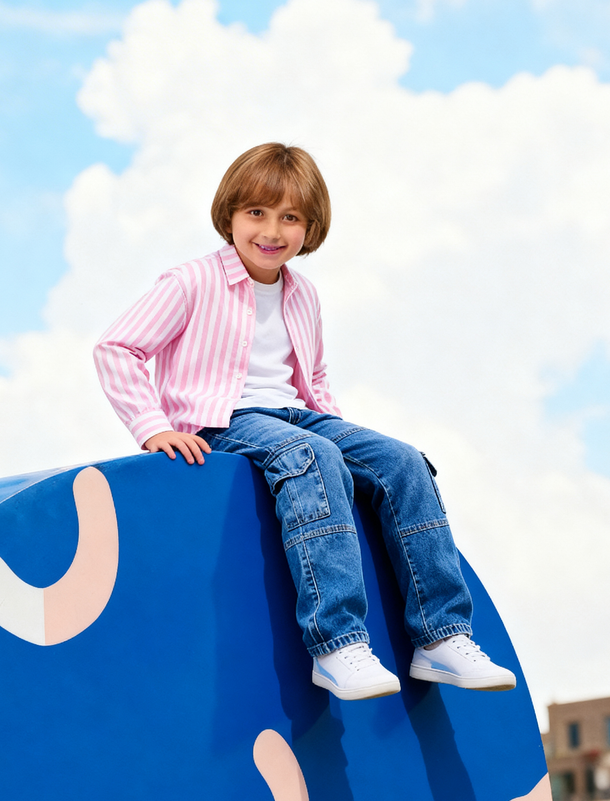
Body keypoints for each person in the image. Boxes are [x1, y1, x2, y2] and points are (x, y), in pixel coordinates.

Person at [94, 142, 515, 701]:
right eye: (257, 213)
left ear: (310, 227)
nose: (271, 230)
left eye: (290, 217)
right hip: (221, 420)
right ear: (231, 215)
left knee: (403, 462)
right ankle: (337, 643)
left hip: (299, 416)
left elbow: (313, 381)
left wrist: (353, 457)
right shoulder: (191, 281)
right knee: (310, 457)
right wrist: (153, 426)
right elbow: (116, 348)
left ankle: (441, 638)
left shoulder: (303, 295)